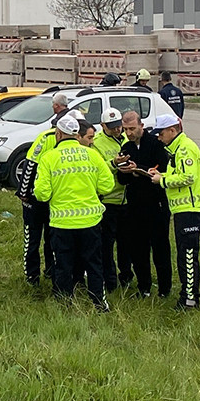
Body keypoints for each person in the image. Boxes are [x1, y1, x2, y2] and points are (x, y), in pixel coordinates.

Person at [33, 115, 117, 308]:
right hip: (91, 221)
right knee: (94, 265)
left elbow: (42, 194)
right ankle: (99, 302)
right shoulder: (92, 154)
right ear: (75, 135)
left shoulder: (49, 158)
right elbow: (107, 186)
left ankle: (64, 303)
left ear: (58, 133)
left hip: (62, 223)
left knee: (63, 265)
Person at [149, 114, 200, 310]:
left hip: (191, 210)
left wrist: (162, 181)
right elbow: (178, 175)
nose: (159, 137)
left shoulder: (185, 149)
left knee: (188, 256)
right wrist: (162, 175)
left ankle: (190, 299)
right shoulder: (175, 150)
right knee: (184, 254)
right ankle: (187, 295)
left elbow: (188, 177)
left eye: (161, 133)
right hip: (183, 210)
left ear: (173, 130)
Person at [15, 93, 73, 285]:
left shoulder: (72, 144)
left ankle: (50, 271)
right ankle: (32, 276)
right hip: (36, 197)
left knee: (52, 238)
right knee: (34, 239)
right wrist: (24, 193)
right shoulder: (46, 138)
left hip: (53, 198)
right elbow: (30, 165)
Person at [116, 108, 172, 298]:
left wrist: (138, 169)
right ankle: (144, 287)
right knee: (138, 250)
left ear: (141, 125)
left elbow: (162, 170)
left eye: (132, 128)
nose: (129, 133)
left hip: (156, 205)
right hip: (134, 206)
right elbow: (122, 181)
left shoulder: (156, 144)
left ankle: (165, 288)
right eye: (125, 129)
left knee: (160, 249)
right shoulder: (127, 148)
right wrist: (122, 169)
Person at [90, 107, 130, 291]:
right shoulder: (97, 143)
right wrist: (114, 163)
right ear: (102, 125)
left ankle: (126, 277)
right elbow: (97, 169)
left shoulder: (126, 138)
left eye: (118, 125)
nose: (116, 130)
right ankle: (110, 281)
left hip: (127, 200)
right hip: (108, 202)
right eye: (111, 127)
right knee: (106, 246)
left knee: (126, 244)